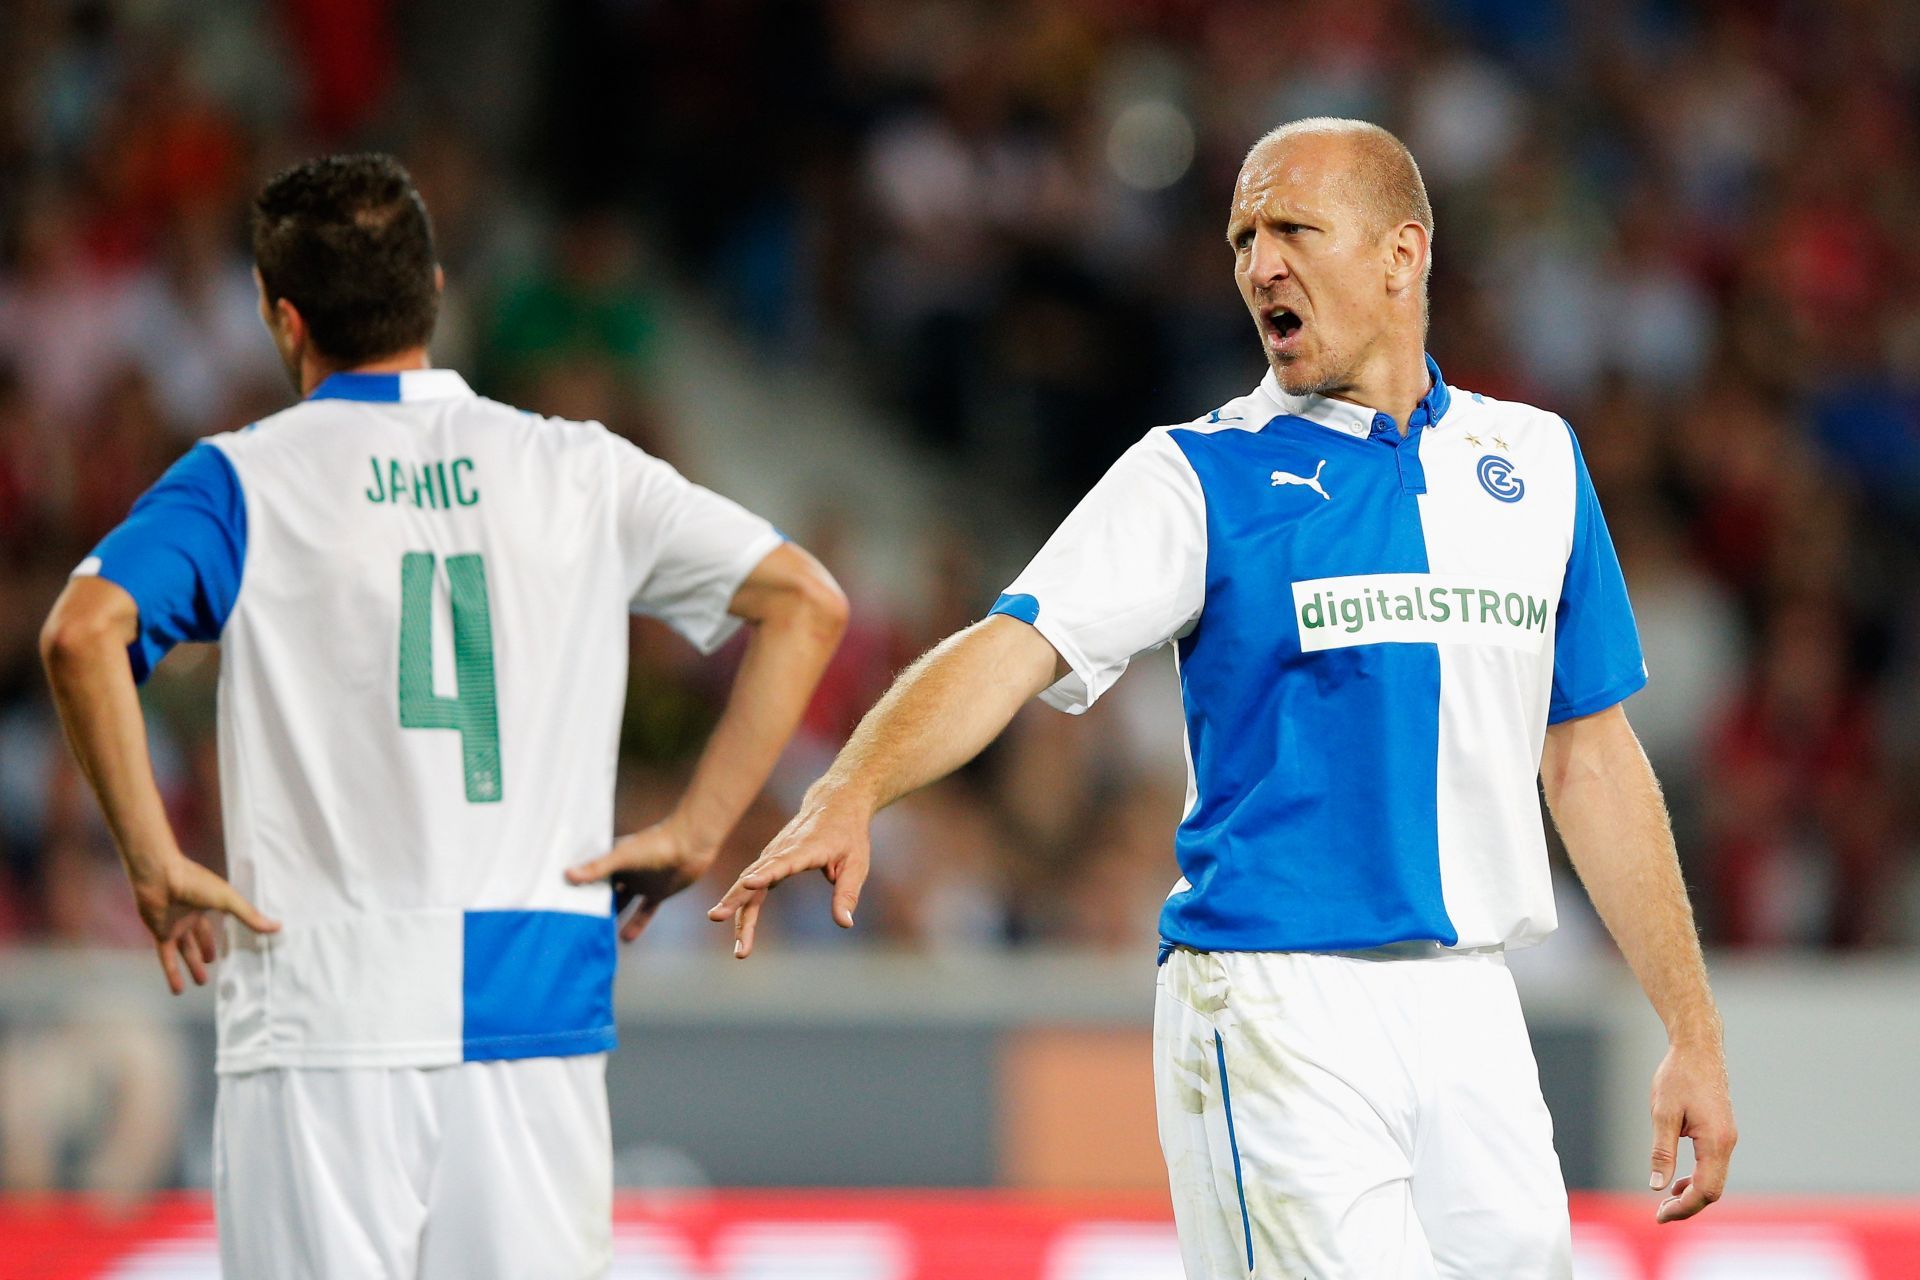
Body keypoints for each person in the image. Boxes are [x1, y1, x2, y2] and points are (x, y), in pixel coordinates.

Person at [710, 118, 1736, 1279]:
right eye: (1244, 236)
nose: (1260, 265)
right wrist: (855, 783)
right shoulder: (1196, 474)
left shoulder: (1536, 463)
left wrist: (1691, 1033)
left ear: (1403, 255)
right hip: (1277, 1007)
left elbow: (1590, 757)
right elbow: (1013, 644)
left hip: (1475, 1008)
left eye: (1294, 227)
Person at [40, 153, 846, 1278]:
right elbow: (807, 599)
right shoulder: (578, 468)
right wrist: (700, 828)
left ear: (285, 320)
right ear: (434, 284)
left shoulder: (242, 482)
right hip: (536, 996)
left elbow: (83, 632)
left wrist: (150, 856)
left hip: (323, 1001)